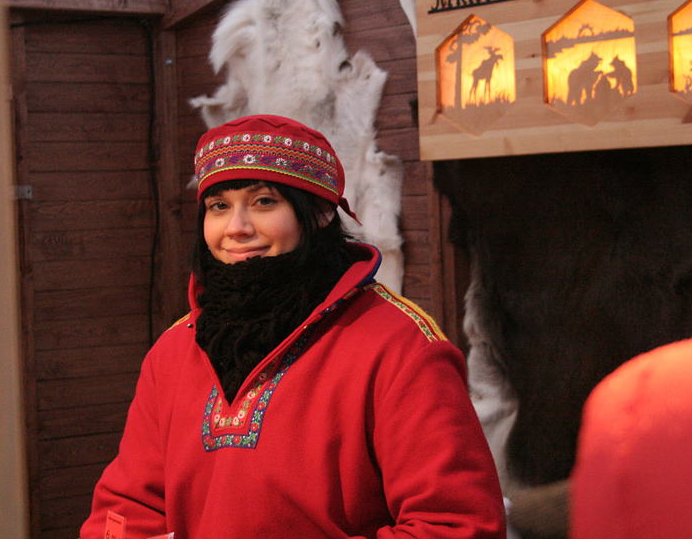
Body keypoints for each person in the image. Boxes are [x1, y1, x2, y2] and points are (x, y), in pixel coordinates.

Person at [80, 114, 506, 539]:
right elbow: (128, 509)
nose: (236, 228)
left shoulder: (400, 346)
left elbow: (455, 526)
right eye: (218, 206)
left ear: (320, 212)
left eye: (264, 202)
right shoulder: (174, 351)